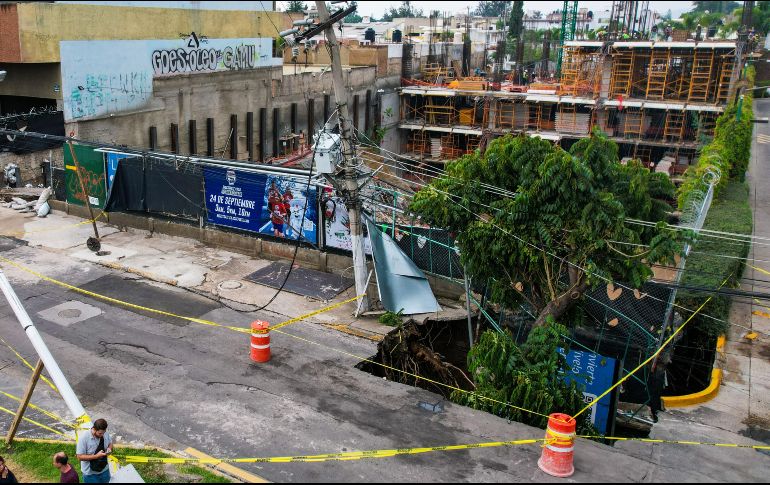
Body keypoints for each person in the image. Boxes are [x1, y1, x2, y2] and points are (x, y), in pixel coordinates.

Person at [76, 418, 113, 484]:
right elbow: (79, 457)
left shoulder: (104, 433)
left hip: (104, 470)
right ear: (94, 429)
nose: (102, 435)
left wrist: (109, 449)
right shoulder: (83, 438)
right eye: (100, 433)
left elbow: (110, 443)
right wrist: (96, 456)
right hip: (90, 474)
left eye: (103, 433)